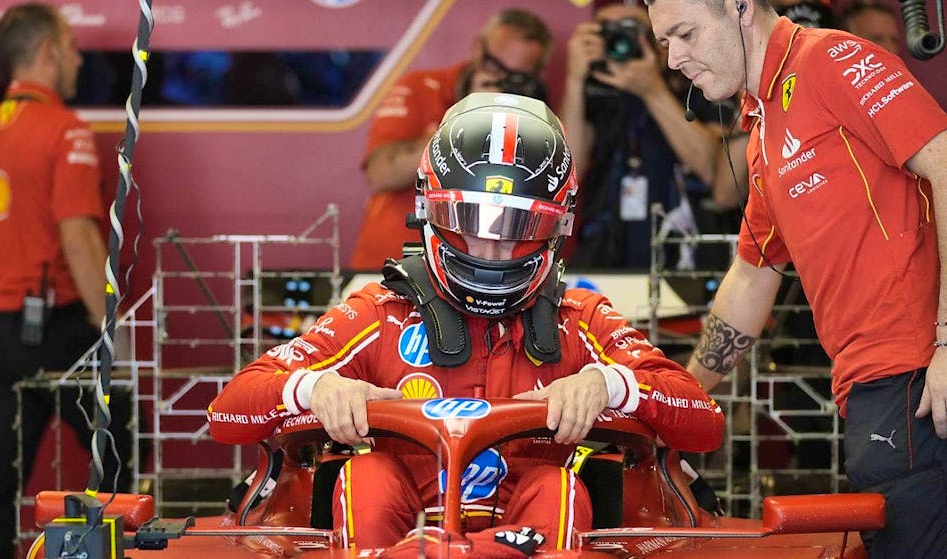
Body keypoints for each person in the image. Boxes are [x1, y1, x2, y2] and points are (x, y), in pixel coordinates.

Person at [209, 93, 725, 550]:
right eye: (469, 221)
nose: (490, 249)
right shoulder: (375, 314)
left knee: (557, 488)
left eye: (517, 225)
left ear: (557, 226)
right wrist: (313, 389)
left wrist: (610, 384)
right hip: (395, 535)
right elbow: (226, 415)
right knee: (369, 475)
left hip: (534, 535)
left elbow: (704, 423)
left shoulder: (581, 320)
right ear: (426, 211)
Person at [646, 0, 947, 555]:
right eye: (665, 43)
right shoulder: (761, 129)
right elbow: (752, 277)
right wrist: (676, 406)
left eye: (685, 34)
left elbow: (945, 162)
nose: (675, 58)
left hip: (918, 374)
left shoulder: (830, 59)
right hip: (874, 391)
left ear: (739, 7)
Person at [0, 4, 133, 558]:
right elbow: (79, 239)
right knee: (125, 449)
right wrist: (113, 333)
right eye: (74, 47)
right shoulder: (65, 131)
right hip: (55, 331)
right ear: (49, 52)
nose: (81, 60)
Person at [349, 8, 552, 270]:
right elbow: (379, 173)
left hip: (479, 269)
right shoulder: (421, 87)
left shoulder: (534, 114)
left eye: (515, 76)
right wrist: (470, 115)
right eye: (494, 66)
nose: (500, 79)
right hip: (391, 265)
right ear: (478, 49)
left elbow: (563, 181)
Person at [558, 1, 741, 270]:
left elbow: (717, 174)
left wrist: (652, 90)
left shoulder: (699, 88)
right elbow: (567, 172)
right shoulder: (595, 92)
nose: (620, 40)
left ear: (658, 40)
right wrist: (575, 80)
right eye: (607, 31)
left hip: (684, 258)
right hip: (605, 254)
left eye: (632, 30)